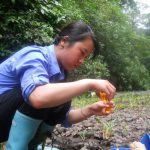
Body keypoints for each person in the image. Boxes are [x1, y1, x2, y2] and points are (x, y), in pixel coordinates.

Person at [0, 21, 116, 150]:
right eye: (82, 52)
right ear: (64, 41)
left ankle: (31, 147)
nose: (82, 61)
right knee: (37, 93)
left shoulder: (59, 74)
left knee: (60, 100)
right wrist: (88, 83)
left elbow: (63, 116)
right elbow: (38, 98)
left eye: (86, 57)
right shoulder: (34, 55)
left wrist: (90, 110)